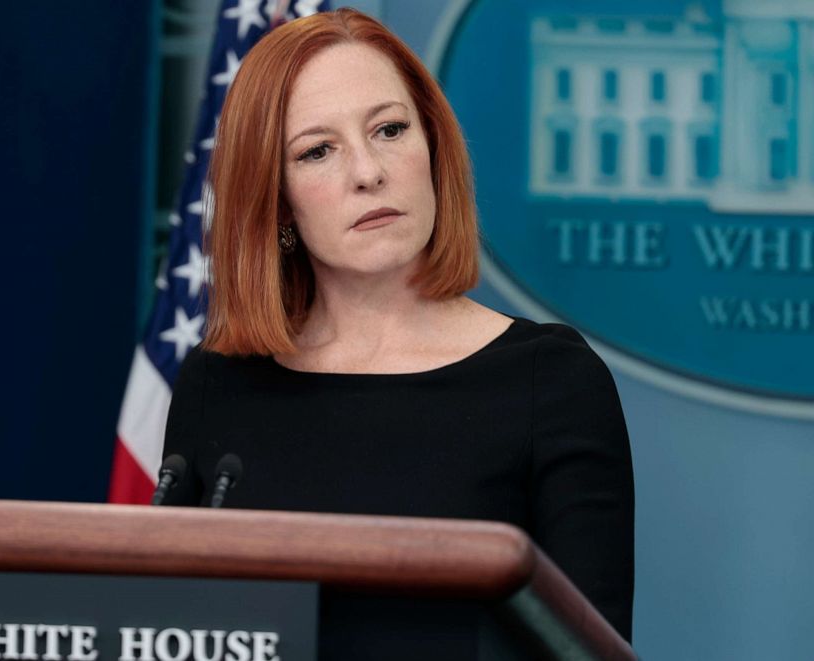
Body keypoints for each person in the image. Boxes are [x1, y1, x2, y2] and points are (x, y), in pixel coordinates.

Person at [162, 6, 634, 653]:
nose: (368, 171)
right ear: (277, 203)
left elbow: (587, 647)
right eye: (318, 150)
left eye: (389, 129)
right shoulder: (219, 384)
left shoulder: (551, 382)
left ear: (432, 149)